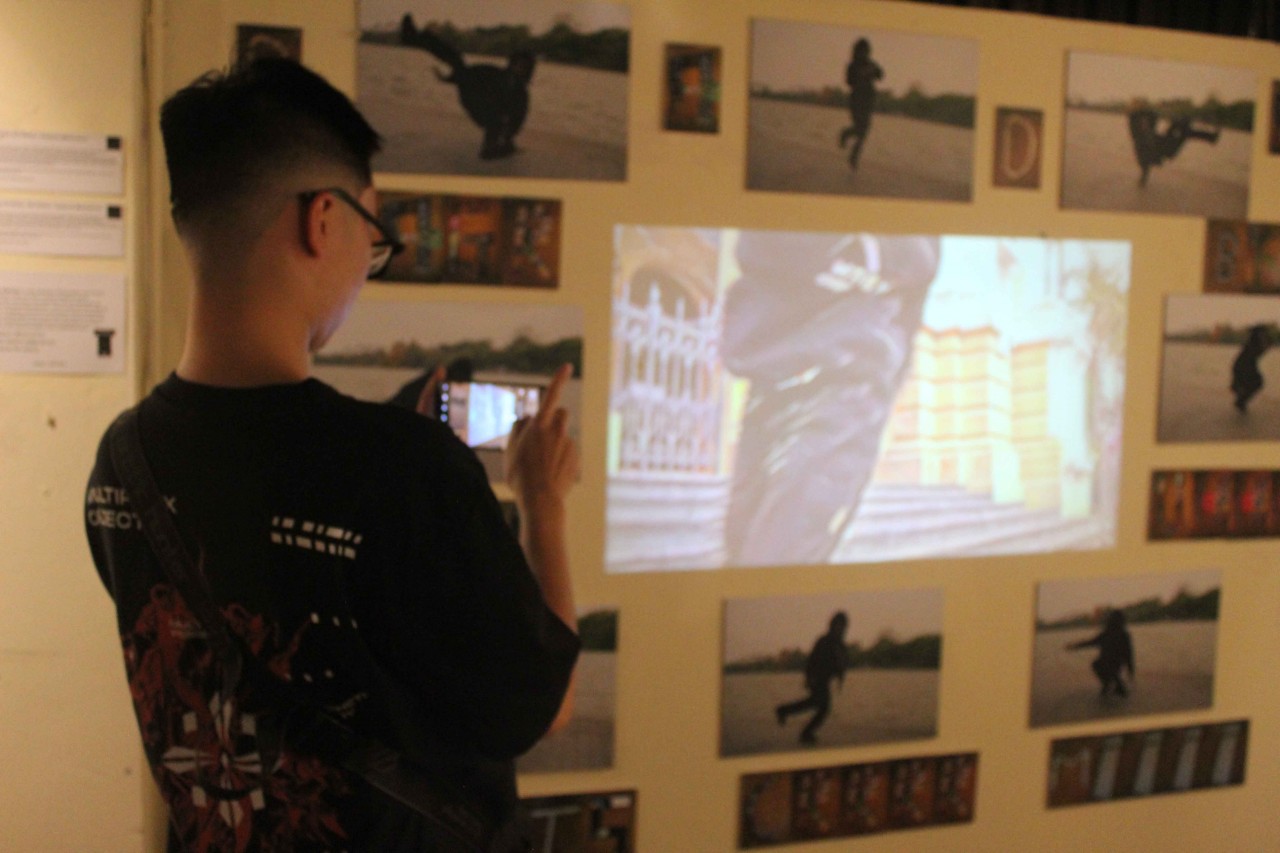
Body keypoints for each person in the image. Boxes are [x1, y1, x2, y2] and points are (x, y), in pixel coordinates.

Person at [83, 58, 580, 851]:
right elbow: (538, 708)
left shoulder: (121, 462)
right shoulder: (399, 466)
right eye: (371, 234)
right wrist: (543, 504)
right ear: (324, 219)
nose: (365, 266)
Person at [720, 231, 941, 567]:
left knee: (778, 559)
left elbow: (918, 266)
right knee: (745, 552)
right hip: (771, 377)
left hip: (847, 384)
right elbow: (756, 247)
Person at [400, 14, 535, 160]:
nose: (519, 69)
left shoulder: (522, 93)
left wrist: (508, 138)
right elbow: (470, 74)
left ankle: (491, 148)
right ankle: (415, 38)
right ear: (512, 63)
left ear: (528, 70)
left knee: (498, 118)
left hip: (493, 116)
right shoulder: (496, 73)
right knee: (457, 60)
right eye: (517, 64)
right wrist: (448, 79)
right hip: (474, 101)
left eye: (523, 67)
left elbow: (518, 118)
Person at [775, 612, 850, 744]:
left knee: (813, 703)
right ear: (833, 625)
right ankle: (805, 732)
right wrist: (809, 678)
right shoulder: (823, 640)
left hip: (825, 680)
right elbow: (811, 661)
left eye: (842, 625)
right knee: (823, 708)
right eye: (838, 625)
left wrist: (840, 679)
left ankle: (784, 711)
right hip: (817, 679)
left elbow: (841, 664)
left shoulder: (840, 644)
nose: (840, 628)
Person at [1126, 101, 1220, 187]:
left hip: (1163, 145)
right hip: (1166, 149)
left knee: (1182, 127)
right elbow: (1146, 149)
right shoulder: (1139, 131)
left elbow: (1153, 117)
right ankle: (1209, 135)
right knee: (1184, 129)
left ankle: (1209, 135)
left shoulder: (1143, 125)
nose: (1144, 123)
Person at [1065, 610, 1135, 698]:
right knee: (1099, 664)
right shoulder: (1123, 635)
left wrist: (1074, 646)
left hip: (1108, 663)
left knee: (1099, 665)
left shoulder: (1109, 634)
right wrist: (1130, 669)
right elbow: (1129, 654)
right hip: (1113, 664)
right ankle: (1113, 684)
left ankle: (1110, 684)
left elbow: (1090, 642)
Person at [838, 38, 883, 170]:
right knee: (860, 128)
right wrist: (861, 75)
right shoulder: (852, 65)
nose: (865, 54)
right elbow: (848, 82)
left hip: (868, 100)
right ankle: (846, 135)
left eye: (867, 51)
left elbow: (881, 75)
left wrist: (873, 71)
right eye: (862, 51)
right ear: (857, 51)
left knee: (864, 130)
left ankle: (854, 156)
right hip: (856, 100)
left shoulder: (871, 63)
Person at [1231, 323, 1271, 412]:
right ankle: (1240, 398)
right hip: (1244, 366)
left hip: (1244, 366)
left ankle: (1240, 397)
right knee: (1257, 382)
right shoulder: (1254, 345)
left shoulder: (1254, 344)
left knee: (1255, 383)